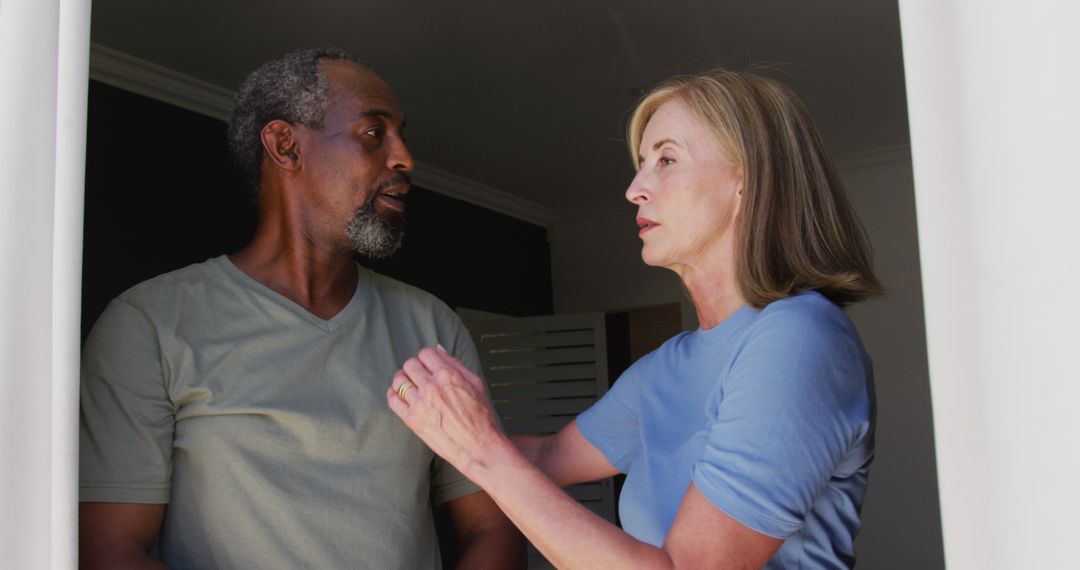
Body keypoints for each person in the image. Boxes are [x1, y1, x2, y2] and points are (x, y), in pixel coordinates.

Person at [388, 69, 882, 569]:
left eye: (666, 159)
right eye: (642, 164)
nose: (634, 188)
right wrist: (407, 429)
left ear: (747, 179)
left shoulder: (799, 338)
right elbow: (544, 460)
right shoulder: (665, 368)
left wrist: (480, 450)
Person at [78, 48, 523, 569]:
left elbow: (495, 522)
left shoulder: (432, 326)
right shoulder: (151, 323)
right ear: (285, 146)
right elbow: (109, 552)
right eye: (374, 133)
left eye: (401, 134)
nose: (405, 157)